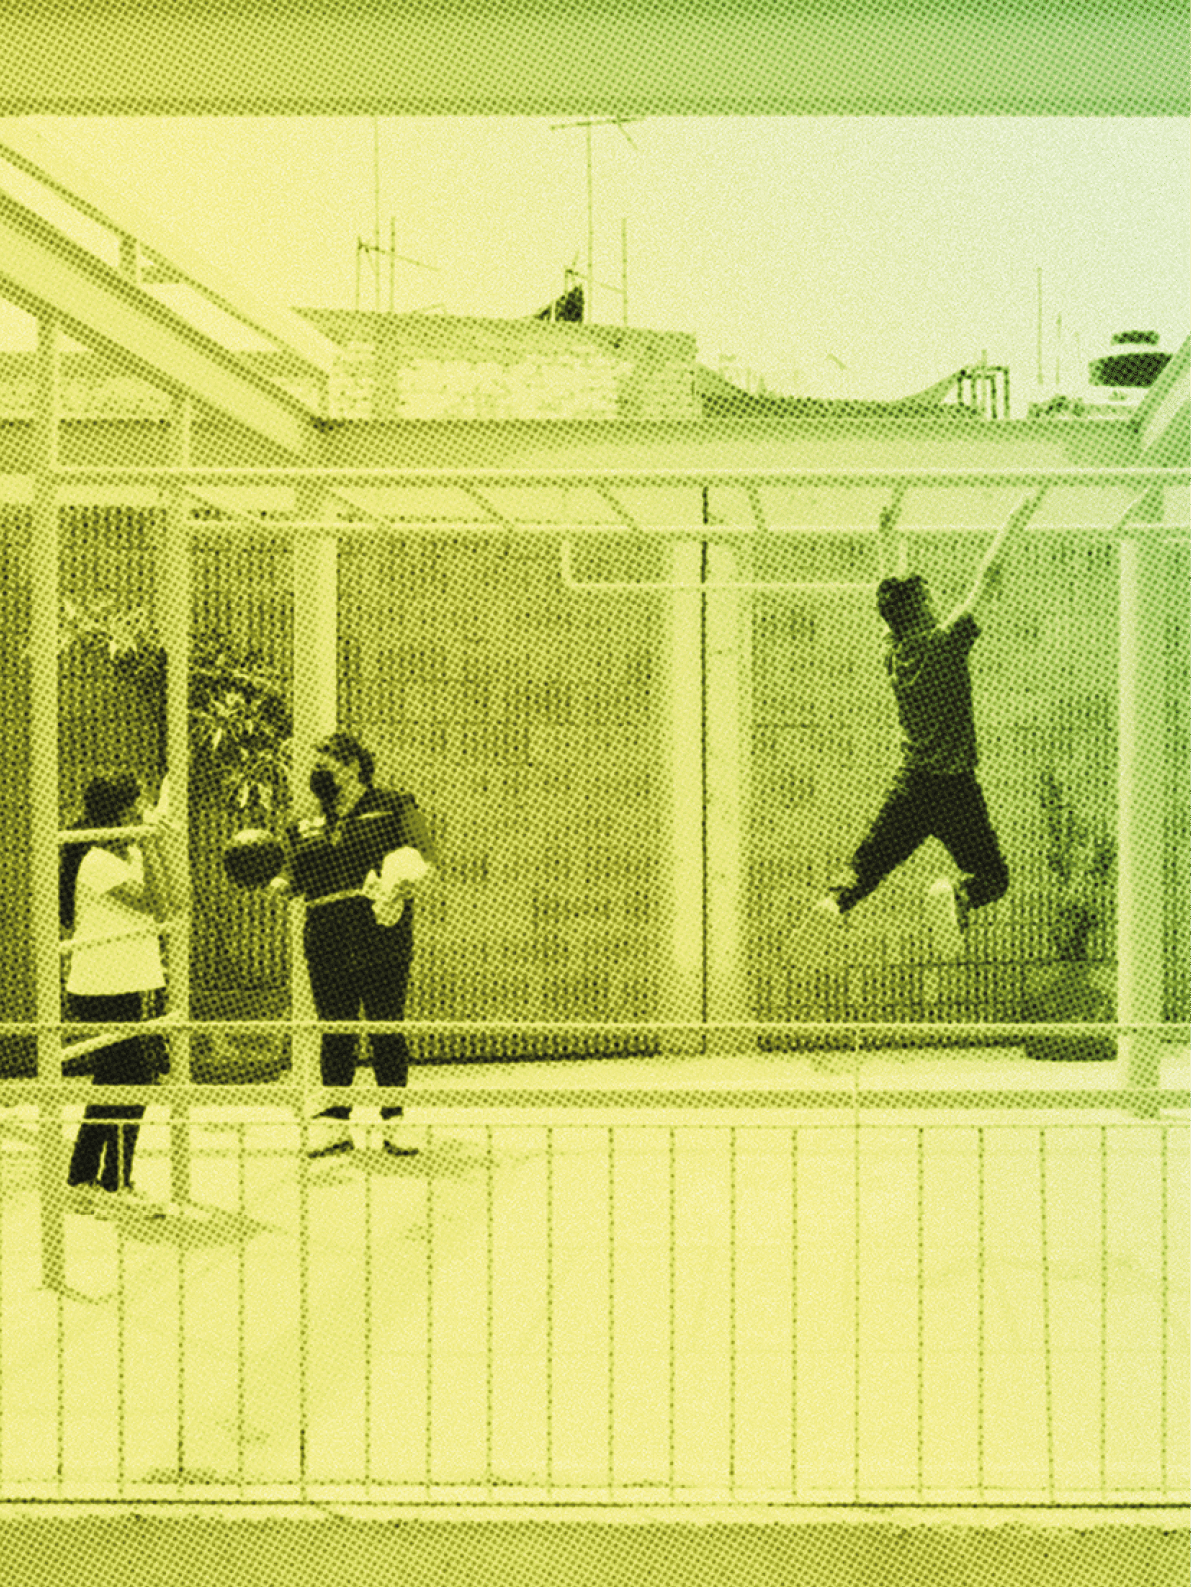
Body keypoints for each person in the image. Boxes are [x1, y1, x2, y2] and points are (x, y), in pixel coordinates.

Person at [817, 494, 1039, 935]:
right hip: (956, 790)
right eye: (930, 600)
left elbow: (888, 600)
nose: (937, 604)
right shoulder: (948, 644)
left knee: (865, 870)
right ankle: (958, 894)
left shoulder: (894, 653)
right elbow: (988, 578)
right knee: (993, 879)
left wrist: (885, 535)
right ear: (922, 609)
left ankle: (834, 902)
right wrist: (1015, 518)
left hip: (912, 787)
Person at [270, 732, 437, 1158]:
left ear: (354, 766)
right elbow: (292, 877)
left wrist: (402, 881)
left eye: (327, 764)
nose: (318, 773)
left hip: (380, 929)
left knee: (385, 1025)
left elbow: (425, 857)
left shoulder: (395, 805)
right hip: (325, 931)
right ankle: (335, 1121)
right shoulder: (304, 822)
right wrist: (277, 882)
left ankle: (395, 1120)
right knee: (336, 1028)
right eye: (316, 766)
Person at [62, 773, 171, 1210]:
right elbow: (155, 903)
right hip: (102, 985)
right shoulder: (96, 860)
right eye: (138, 805)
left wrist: (154, 840)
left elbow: (175, 899)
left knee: (125, 1079)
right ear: (122, 811)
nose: (142, 811)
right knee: (125, 1079)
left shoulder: (125, 853)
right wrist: (150, 841)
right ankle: (105, 1183)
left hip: (131, 979)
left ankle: (95, 1182)